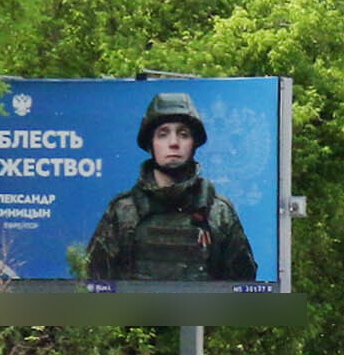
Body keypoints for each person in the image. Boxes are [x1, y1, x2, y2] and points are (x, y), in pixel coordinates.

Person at [83, 91, 259, 283]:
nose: (173, 143)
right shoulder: (123, 212)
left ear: (194, 144)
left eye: (183, 134)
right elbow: (93, 284)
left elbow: (242, 288)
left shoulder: (219, 213)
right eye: (163, 134)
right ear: (151, 144)